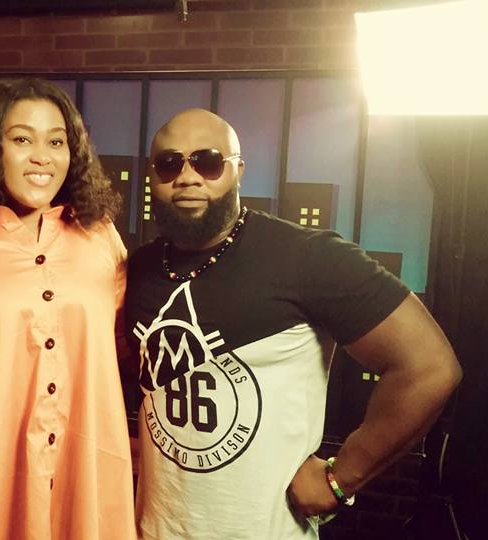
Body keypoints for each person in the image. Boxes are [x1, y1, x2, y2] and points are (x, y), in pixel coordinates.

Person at [124, 108, 462, 539]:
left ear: (238, 171)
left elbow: (430, 367)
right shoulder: (141, 268)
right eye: (169, 163)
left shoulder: (305, 257)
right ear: (152, 176)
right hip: (153, 529)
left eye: (208, 162)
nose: (187, 177)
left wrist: (343, 477)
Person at [0, 78, 136, 539]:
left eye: (56, 142)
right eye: (21, 140)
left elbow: (118, 340)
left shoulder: (102, 239)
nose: (42, 157)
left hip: (85, 466)